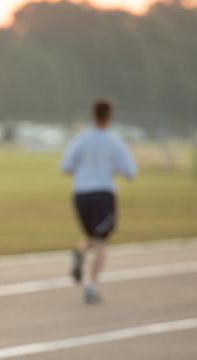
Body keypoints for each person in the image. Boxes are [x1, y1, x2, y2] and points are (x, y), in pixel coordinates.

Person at [60, 98, 137, 304]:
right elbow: (131, 173)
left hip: (80, 194)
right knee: (101, 242)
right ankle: (91, 286)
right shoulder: (115, 141)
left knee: (90, 236)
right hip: (103, 193)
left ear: (93, 115)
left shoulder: (81, 139)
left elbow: (66, 167)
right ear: (110, 116)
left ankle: (80, 252)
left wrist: (85, 171)